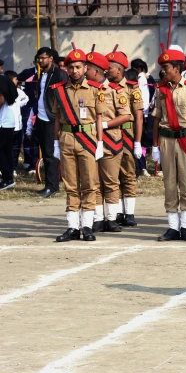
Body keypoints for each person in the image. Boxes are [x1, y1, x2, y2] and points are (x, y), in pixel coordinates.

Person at [151, 46, 186, 242]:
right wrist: (155, 146)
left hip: (185, 139)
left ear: (176, 68)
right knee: (169, 184)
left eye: (166, 67)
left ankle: (185, 226)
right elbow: (156, 118)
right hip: (166, 139)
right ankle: (173, 227)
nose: (163, 71)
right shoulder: (160, 90)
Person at [52, 48, 105, 242]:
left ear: (85, 68)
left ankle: (88, 226)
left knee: (90, 183)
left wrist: (100, 143)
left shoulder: (95, 89)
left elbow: (99, 118)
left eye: (78, 67)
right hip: (66, 138)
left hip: (88, 140)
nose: (74, 71)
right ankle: (72, 227)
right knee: (71, 184)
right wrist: (56, 143)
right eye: (71, 67)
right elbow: (57, 118)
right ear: (67, 69)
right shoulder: (59, 91)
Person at [85, 50, 132, 233]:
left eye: (87, 69)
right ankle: (97, 217)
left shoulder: (115, 91)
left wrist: (103, 124)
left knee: (111, 181)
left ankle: (111, 218)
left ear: (96, 71)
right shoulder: (87, 90)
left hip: (110, 140)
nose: (83, 72)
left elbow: (126, 115)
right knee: (93, 181)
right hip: (89, 141)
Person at [105, 49, 144, 227]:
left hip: (126, 135)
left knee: (128, 174)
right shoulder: (103, 87)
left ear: (119, 70)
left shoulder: (131, 88)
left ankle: (129, 213)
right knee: (113, 175)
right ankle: (117, 211)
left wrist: (137, 142)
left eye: (110, 68)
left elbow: (138, 116)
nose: (107, 71)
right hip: (108, 135)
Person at [30, 47, 68, 198]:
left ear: (51, 58)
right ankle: (50, 184)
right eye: (39, 58)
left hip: (52, 119)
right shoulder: (43, 74)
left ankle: (52, 187)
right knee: (46, 153)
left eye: (43, 57)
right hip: (41, 118)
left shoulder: (59, 74)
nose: (40, 60)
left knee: (50, 154)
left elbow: (65, 96)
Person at [130, 58, 152, 176]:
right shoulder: (142, 79)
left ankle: (142, 166)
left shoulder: (144, 79)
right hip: (142, 113)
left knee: (141, 141)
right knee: (139, 141)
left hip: (144, 114)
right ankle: (140, 166)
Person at [0, 70, 20, 189]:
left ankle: (7, 178)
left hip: (3, 123)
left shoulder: (1, 82)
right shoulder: (5, 81)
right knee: (6, 151)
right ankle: (9, 178)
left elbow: (1, 100)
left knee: (1, 151)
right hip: (8, 122)